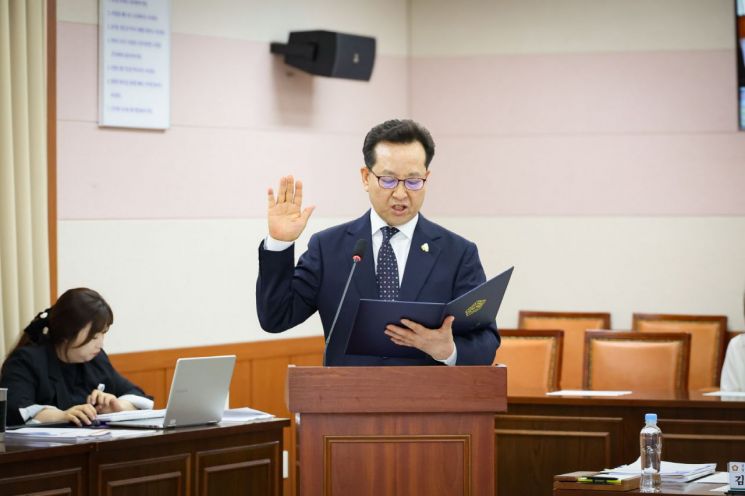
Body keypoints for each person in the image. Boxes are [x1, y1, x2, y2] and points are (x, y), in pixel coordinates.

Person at [256, 119, 500, 366]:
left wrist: (448, 350)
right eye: (388, 179)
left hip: (426, 401)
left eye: (414, 181)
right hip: (346, 399)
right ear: (365, 177)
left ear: (427, 178)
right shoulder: (328, 248)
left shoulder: (457, 253)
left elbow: (486, 340)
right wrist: (279, 244)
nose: (401, 194)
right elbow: (275, 318)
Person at [0, 288, 153, 426]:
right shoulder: (26, 361)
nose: (100, 344)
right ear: (67, 333)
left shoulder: (96, 359)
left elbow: (137, 395)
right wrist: (62, 415)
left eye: (103, 334)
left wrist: (117, 405)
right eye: (94, 337)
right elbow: (14, 410)